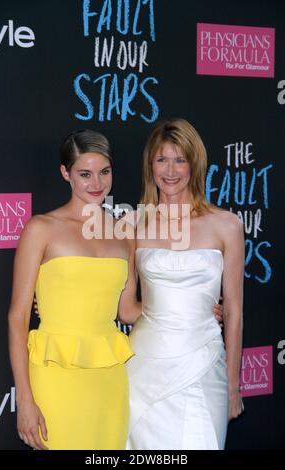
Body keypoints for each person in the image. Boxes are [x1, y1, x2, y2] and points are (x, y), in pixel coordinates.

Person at [8, 129, 139, 450]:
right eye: (85, 173)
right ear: (65, 173)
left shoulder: (125, 234)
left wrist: (190, 306)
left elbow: (128, 311)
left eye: (104, 172)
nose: (97, 184)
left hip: (109, 377)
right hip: (55, 374)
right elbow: (17, 318)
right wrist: (24, 400)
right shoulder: (41, 229)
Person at [119, 118, 244, 450]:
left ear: (195, 163)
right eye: (162, 159)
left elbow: (234, 311)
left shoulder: (227, 225)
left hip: (205, 366)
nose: (170, 170)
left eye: (180, 159)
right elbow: (126, 309)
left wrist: (233, 385)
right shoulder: (133, 223)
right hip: (145, 367)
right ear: (151, 164)